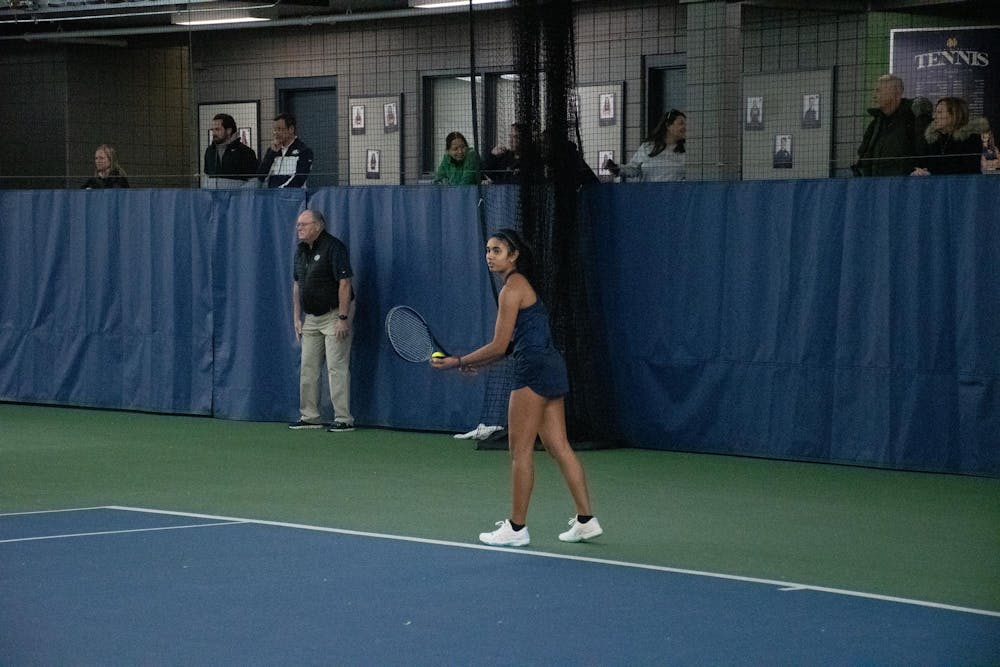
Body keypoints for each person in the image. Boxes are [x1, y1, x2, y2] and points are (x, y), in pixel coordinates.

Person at [431, 228, 601, 547]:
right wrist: (472, 361)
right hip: (550, 364)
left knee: (519, 451)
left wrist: (457, 361)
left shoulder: (512, 288)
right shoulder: (521, 285)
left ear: (514, 256)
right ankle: (586, 520)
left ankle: (516, 527)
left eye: (497, 251)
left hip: (533, 369)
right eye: (487, 250)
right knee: (557, 445)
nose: (490, 256)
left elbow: (499, 345)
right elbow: (512, 343)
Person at [289, 209, 356, 433]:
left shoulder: (334, 248)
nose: (299, 229)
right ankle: (309, 416)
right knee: (308, 367)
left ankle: (343, 418)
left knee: (336, 367)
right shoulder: (300, 251)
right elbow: (297, 285)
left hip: (334, 315)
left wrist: (343, 318)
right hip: (311, 318)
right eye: (298, 225)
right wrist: (297, 317)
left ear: (318, 226)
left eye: (304, 225)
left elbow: (344, 283)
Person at [853, 74, 931, 177]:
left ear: (897, 93)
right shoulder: (875, 123)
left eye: (879, 90)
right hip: (874, 184)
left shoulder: (914, 117)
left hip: (905, 184)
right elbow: (864, 154)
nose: (874, 95)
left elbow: (924, 150)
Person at [604, 109, 686, 182]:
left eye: (686, 124)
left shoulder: (685, 151)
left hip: (674, 197)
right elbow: (634, 168)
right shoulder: (648, 147)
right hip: (648, 195)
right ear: (668, 125)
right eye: (681, 123)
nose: (685, 127)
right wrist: (617, 169)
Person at [912, 97, 986, 176]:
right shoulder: (932, 140)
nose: (934, 116)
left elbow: (967, 169)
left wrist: (932, 173)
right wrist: (920, 171)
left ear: (954, 115)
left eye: (939, 112)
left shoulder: (971, 139)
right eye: (935, 112)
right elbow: (922, 164)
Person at [258, 113, 314, 188]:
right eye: (274, 129)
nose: (276, 133)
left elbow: (300, 178)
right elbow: (260, 176)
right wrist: (272, 153)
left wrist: (282, 190)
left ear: (291, 129)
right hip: (271, 196)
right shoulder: (272, 150)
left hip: (292, 196)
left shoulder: (304, 151)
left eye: (279, 129)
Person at [203, 113, 259, 188]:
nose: (214, 133)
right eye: (212, 130)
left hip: (236, 198)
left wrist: (240, 196)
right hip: (214, 198)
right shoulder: (210, 151)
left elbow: (254, 180)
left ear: (229, 130)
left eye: (217, 129)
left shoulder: (245, 152)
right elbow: (207, 176)